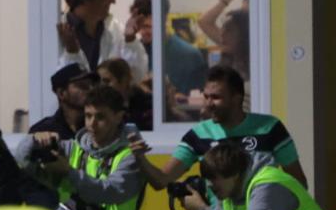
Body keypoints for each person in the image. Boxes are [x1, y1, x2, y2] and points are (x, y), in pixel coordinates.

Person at [129, 65, 306, 192]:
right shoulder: (198, 135)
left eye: (216, 97)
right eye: (206, 96)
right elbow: (161, 180)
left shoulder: (270, 128)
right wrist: (140, 158)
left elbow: (299, 183)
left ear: (237, 98)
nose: (208, 103)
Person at [25, 84, 145, 210]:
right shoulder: (72, 148)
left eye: (100, 117)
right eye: (88, 116)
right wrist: (33, 141)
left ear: (118, 117)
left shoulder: (131, 156)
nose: (92, 124)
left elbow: (109, 191)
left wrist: (69, 172)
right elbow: (21, 161)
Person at [179, 143, 331, 210]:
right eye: (207, 178)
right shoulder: (229, 192)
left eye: (214, 178)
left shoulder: (269, 184)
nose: (209, 185)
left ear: (235, 174)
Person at [56, 0, 147, 81]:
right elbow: (58, 85)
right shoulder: (57, 32)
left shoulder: (115, 29)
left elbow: (134, 77)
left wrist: (130, 40)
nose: (113, 0)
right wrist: (72, 53)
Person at [31, 64, 96, 142]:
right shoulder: (43, 130)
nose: (91, 89)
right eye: (82, 85)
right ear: (61, 93)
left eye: (92, 85)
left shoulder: (97, 126)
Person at [96, 57, 153, 130]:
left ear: (124, 80)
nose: (102, 86)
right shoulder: (100, 106)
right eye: (99, 82)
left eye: (107, 81)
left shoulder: (146, 104)